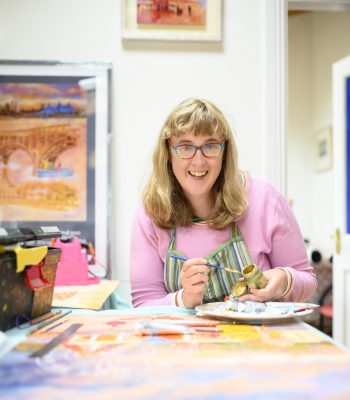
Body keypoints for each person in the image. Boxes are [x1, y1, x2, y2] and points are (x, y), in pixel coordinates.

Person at [130, 98, 317, 308]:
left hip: (258, 338)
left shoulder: (265, 198)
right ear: (168, 153)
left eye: (210, 146)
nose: (198, 161)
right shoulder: (150, 214)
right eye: (185, 147)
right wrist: (183, 298)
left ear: (224, 152)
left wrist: (285, 280)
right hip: (184, 341)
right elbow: (144, 305)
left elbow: (308, 282)